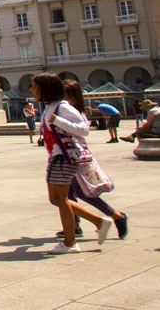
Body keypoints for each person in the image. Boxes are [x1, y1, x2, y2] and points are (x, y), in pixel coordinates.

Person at [30, 73, 113, 254]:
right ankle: (99, 222)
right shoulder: (50, 106)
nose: (31, 90)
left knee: (60, 200)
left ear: (45, 89)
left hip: (64, 157)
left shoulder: (62, 107)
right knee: (57, 199)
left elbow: (83, 129)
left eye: (34, 86)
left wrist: (57, 120)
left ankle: (70, 242)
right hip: (56, 156)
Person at [63, 81, 129, 239]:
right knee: (67, 193)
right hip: (66, 155)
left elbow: (82, 131)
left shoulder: (74, 112)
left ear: (72, 96)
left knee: (83, 193)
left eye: (64, 95)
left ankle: (117, 215)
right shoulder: (70, 110)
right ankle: (74, 225)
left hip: (76, 156)